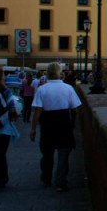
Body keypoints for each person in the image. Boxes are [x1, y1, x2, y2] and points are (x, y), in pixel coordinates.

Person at [29, 63, 82, 192]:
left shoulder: (42, 89)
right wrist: (73, 124)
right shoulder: (68, 88)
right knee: (63, 155)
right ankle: (60, 182)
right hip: (64, 123)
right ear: (60, 73)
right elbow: (75, 108)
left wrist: (33, 128)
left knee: (47, 154)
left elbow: (38, 111)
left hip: (47, 124)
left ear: (47, 73)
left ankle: (46, 178)